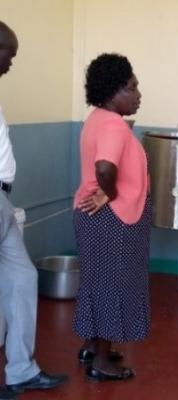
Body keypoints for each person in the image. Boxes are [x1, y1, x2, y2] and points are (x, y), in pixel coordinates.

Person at [73, 53, 151, 381]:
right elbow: (105, 167)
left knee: (96, 281)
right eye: (132, 88)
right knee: (111, 285)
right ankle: (102, 362)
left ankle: (93, 345)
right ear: (113, 91)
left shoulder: (96, 118)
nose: (138, 94)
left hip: (94, 217)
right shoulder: (114, 125)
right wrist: (112, 193)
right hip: (111, 219)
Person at [0, 21, 67, 398]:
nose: (11, 62)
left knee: (24, 279)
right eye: (9, 54)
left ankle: (21, 370)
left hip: (3, 201)